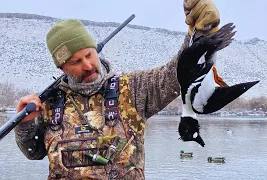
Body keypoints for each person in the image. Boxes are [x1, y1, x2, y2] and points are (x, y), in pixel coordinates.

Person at [14, 0, 228, 179]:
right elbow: (33, 152)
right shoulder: (50, 103)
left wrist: (200, 33)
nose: (88, 65)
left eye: (89, 55)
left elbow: (175, 75)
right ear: (61, 67)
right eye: (76, 61)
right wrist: (24, 123)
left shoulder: (133, 88)